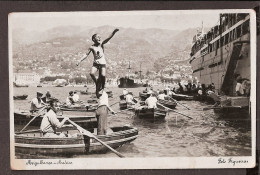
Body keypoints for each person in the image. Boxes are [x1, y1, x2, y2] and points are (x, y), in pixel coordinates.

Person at [76, 29, 119, 96]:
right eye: (98, 37)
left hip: (102, 63)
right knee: (91, 73)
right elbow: (86, 54)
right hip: (95, 64)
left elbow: (108, 38)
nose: (99, 38)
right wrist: (79, 60)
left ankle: (103, 86)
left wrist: (113, 32)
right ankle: (97, 84)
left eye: (100, 37)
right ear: (93, 39)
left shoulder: (101, 44)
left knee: (103, 75)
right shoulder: (92, 47)